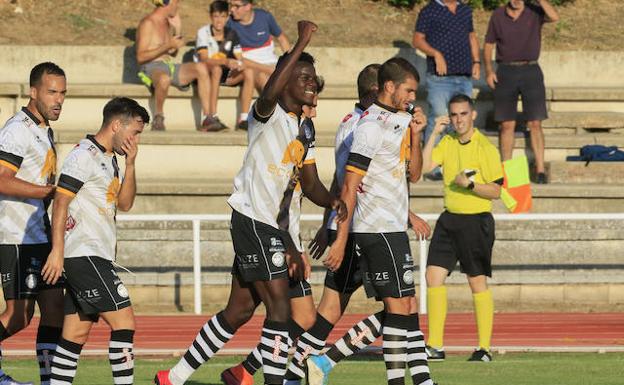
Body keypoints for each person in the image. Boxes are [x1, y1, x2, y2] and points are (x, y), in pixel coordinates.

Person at [153, 20, 346, 385]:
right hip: (253, 219)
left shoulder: (304, 129)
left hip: (272, 227)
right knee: (279, 309)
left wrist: (335, 203)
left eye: (313, 79)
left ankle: (173, 378)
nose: (310, 84)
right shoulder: (267, 113)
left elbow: (311, 184)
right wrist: (301, 41)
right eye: (302, 77)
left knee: (239, 311)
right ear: (285, 80)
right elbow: (271, 89)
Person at [322, 57, 434, 385]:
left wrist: (416, 134)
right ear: (389, 87)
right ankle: (420, 381)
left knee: (405, 307)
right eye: (408, 90)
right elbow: (349, 185)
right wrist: (341, 239)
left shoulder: (397, 120)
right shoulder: (369, 126)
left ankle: (333, 362)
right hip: (375, 228)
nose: (413, 97)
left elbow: (413, 173)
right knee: (400, 310)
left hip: (393, 226)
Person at [220, 79, 326, 385]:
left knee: (303, 317)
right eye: (311, 103)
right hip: (264, 228)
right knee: (270, 310)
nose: (315, 111)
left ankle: (243, 370)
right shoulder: (271, 118)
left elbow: (303, 188)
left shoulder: (305, 132)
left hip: (287, 232)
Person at [43, 97, 148, 384]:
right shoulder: (83, 155)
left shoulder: (111, 158)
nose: (136, 139)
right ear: (116, 124)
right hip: (83, 254)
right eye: (134, 132)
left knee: (75, 333)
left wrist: (132, 163)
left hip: (95, 255)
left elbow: (124, 204)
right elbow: (61, 203)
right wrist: (57, 252)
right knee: (124, 322)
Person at [421, 93, 503, 362]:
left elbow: (496, 191)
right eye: (454, 115)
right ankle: (435, 346)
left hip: (476, 220)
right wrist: (433, 131)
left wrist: (470, 185)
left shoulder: (486, 148)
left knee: (476, 282)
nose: (459, 120)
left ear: (473, 115)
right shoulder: (447, 142)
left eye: (463, 114)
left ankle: (484, 348)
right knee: (433, 277)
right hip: (449, 219)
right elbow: (424, 167)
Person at [0, 62, 67, 385]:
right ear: (34, 91)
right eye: (52, 92)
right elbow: (1, 179)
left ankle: (49, 380)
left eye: (63, 93)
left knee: (55, 308)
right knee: (18, 317)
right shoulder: (17, 129)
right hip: (15, 236)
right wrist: (47, 192)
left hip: (39, 235)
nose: (58, 100)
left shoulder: (44, 130)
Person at [484, 0, 559, 184]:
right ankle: (506, 170)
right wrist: (488, 70)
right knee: (507, 124)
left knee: (535, 123)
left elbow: (555, 17)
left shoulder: (535, 11)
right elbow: (488, 45)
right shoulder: (498, 15)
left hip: (530, 70)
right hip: (505, 71)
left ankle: (540, 169)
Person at [413, 0, 481, 181]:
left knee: (462, 120)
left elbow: (471, 37)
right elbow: (417, 40)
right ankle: (430, 168)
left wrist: (476, 61)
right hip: (439, 79)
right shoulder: (429, 11)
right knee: (440, 117)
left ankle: (459, 164)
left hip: (464, 77)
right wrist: (436, 54)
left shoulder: (465, 10)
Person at [136, 0, 225, 132]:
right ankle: (158, 117)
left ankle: (208, 118)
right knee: (164, 79)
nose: (178, 6)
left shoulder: (167, 22)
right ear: (167, 2)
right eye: (176, 2)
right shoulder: (148, 23)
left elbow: (173, 52)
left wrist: (177, 29)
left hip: (169, 66)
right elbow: (140, 57)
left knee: (201, 67)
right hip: (151, 67)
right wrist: (168, 45)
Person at [227, 0, 290, 130]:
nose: (232, 9)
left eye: (236, 6)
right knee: (263, 77)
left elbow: (282, 39)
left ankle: (284, 117)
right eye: (230, 5)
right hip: (249, 65)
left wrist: (290, 62)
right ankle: (272, 118)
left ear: (248, 6)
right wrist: (268, 69)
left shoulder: (265, 17)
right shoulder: (230, 23)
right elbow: (239, 58)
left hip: (270, 62)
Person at [195, 0, 255, 131]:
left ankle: (244, 119)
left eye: (222, 16)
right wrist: (226, 61)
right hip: (206, 75)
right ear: (211, 17)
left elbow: (240, 57)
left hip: (224, 75)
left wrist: (239, 65)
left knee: (248, 72)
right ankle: (212, 117)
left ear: (227, 17)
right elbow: (204, 59)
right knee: (216, 69)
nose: (219, 21)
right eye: (216, 16)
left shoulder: (231, 34)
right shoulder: (203, 32)